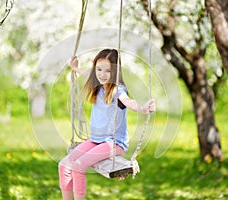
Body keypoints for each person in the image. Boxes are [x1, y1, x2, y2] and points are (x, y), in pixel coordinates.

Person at [58, 49, 156, 200]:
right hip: (96, 140)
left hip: (114, 143)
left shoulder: (118, 90)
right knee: (64, 166)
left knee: (78, 166)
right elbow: (87, 75)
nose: (102, 74)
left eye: (108, 71)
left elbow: (129, 102)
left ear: (115, 72)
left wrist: (143, 108)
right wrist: (75, 68)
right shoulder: (98, 84)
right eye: (99, 69)